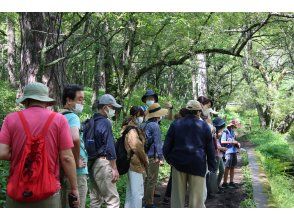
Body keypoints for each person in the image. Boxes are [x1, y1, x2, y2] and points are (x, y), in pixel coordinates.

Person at [0, 82, 79, 208]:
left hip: (17, 192)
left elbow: (2, 153)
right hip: (48, 194)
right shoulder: (59, 120)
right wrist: (74, 188)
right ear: (46, 102)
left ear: (25, 101)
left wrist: (24, 154)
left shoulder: (11, 119)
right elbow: (67, 158)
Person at [163, 100, 216, 208]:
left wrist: (170, 160)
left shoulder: (176, 124)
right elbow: (210, 148)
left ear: (187, 110)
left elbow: (166, 146)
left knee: (177, 200)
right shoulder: (204, 126)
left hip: (178, 165)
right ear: (198, 112)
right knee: (196, 202)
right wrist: (212, 165)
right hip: (197, 165)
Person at [88, 94, 122, 208]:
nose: (113, 110)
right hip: (103, 163)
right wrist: (114, 168)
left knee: (95, 200)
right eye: (112, 108)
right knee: (112, 200)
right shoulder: (105, 122)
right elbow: (110, 146)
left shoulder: (91, 121)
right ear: (105, 107)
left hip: (92, 163)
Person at [60, 84, 88, 208]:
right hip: (77, 172)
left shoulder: (58, 117)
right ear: (69, 100)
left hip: (63, 170)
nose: (83, 102)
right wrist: (76, 161)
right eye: (80, 99)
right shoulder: (72, 117)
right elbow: (75, 138)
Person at [142, 103, 168, 208]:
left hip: (145, 155)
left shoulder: (145, 124)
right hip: (152, 156)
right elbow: (157, 143)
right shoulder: (155, 125)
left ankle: (145, 200)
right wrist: (160, 157)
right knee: (151, 180)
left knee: (147, 179)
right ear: (157, 115)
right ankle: (149, 203)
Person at [122, 106, 149, 208]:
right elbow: (137, 147)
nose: (142, 118)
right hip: (135, 164)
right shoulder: (132, 130)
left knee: (131, 192)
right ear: (136, 115)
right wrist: (145, 160)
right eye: (141, 115)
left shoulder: (128, 127)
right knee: (137, 193)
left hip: (131, 163)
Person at [221, 119, 241, 189]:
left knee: (232, 167)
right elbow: (223, 141)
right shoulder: (225, 131)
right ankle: (224, 183)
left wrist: (237, 143)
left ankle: (231, 182)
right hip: (228, 151)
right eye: (235, 125)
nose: (235, 127)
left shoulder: (232, 131)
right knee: (227, 167)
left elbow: (233, 140)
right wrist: (233, 142)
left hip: (233, 151)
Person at [212, 117, 227, 190]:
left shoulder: (218, 134)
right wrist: (222, 148)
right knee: (215, 171)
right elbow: (214, 145)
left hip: (219, 154)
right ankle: (214, 188)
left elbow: (217, 144)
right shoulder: (213, 133)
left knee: (222, 170)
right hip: (216, 155)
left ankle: (217, 185)